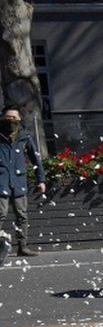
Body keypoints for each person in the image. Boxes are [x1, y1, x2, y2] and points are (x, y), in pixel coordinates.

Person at [0, 105, 46, 257]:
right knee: (1, 213)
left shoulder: (24, 136)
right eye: (7, 117)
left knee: (22, 215)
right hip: (1, 181)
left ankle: (22, 247)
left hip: (18, 181)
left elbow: (35, 159)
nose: (10, 121)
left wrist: (41, 180)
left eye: (13, 118)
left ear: (19, 119)